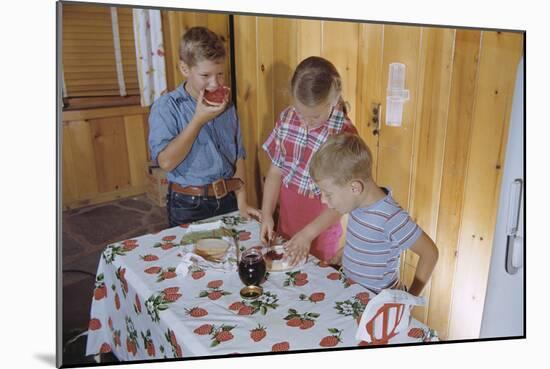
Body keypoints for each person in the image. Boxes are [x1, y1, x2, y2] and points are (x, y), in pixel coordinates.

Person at [148, 26, 259, 227]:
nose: (215, 83)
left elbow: (238, 155)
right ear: (184, 69)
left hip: (229, 199)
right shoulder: (166, 107)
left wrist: (242, 201)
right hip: (188, 204)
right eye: (205, 75)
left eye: (220, 74)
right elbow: (165, 162)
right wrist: (198, 120)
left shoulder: (227, 105)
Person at [309, 133, 438, 296]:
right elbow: (370, 239)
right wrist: (346, 253)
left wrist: (410, 297)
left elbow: (430, 253)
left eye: (328, 194)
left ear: (355, 188)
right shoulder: (357, 203)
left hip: (378, 303)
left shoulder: (390, 217)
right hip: (354, 294)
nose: (323, 200)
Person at [260, 56, 358, 264]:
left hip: (320, 232)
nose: (305, 122)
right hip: (286, 224)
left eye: (314, 117)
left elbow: (341, 202)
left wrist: (308, 234)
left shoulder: (343, 135)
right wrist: (267, 213)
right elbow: (276, 172)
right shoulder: (287, 118)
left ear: (333, 101)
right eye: (300, 112)